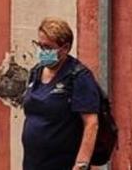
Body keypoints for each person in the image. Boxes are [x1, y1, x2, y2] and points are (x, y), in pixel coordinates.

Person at [21, 17, 101, 170]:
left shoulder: (78, 76)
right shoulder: (36, 72)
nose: (42, 51)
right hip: (33, 164)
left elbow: (91, 123)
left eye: (48, 47)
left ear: (64, 48)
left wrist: (81, 164)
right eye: (39, 45)